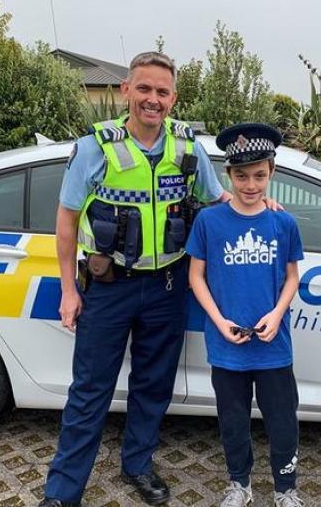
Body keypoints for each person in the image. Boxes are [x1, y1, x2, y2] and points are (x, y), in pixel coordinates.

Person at [39, 51, 229, 507]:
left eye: (162, 92)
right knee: (90, 392)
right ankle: (62, 494)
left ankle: (138, 465)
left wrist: (261, 207)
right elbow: (66, 223)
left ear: (173, 98)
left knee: (153, 386)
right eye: (143, 88)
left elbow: (219, 199)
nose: (152, 99)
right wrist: (68, 289)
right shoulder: (94, 148)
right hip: (108, 288)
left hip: (167, 287)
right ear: (126, 90)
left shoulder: (188, 149)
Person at [186, 123, 305, 507]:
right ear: (229, 174)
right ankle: (239, 484)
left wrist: (276, 313)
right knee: (233, 421)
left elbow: (292, 277)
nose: (250, 185)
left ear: (272, 172)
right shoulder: (209, 221)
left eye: (259, 175)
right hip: (227, 346)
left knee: (283, 422)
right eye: (241, 175)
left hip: (273, 346)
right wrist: (220, 323)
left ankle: (286, 488)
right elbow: (196, 276)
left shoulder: (283, 222)